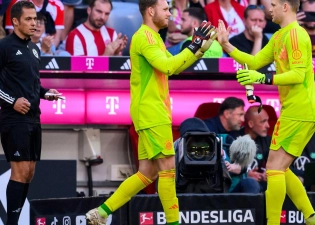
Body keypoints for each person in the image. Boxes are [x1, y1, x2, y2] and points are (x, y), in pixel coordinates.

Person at [85, 0, 217, 224]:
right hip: (152, 112)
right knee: (167, 171)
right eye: (165, 9)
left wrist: (199, 49)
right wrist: (194, 46)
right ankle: (174, 222)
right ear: (150, 10)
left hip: (151, 111)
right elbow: (168, 67)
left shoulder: (154, 37)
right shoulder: (144, 36)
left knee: (147, 173)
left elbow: (172, 67)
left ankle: (101, 213)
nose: (170, 13)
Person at [216, 0, 315, 222]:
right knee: (281, 168)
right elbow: (254, 61)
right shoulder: (278, 36)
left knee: (274, 168)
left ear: (286, 6)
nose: (269, 9)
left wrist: (263, 78)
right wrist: (226, 45)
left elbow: (298, 75)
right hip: (296, 110)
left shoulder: (296, 35)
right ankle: (312, 219)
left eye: (273, 4)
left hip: (300, 110)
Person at [0, 1, 61, 224]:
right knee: (19, 171)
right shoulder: (4, 46)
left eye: (35, 18)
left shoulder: (35, 49)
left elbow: (33, 84)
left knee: (29, 173)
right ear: (15, 22)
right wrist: (12, 101)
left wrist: (46, 94)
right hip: (13, 119)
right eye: (28, 19)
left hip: (34, 118)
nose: (34, 23)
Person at [241, 106, 271, 192]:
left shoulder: (268, 141)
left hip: (261, 185)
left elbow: (278, 163)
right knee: (250, 183)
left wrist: (269, 173)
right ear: (251, 124)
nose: (268, 126)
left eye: (268, 121)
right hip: (240, 187)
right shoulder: (233, 138)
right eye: (263, 122)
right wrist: (246, 175)